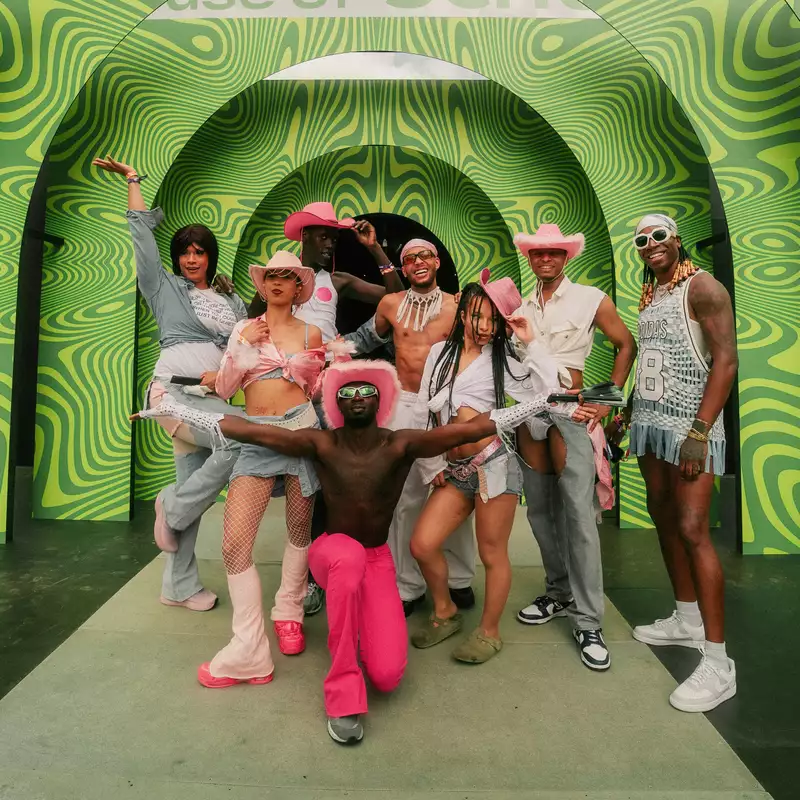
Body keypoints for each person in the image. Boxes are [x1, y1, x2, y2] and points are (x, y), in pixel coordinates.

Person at [134, 360, 572, 743]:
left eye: (367, 391)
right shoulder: (321, 443)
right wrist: (175, 409)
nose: (358, 396)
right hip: (333, 553)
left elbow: (471, 427)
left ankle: (362, 629)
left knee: (387, 675)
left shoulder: (400, 443)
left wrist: (540, 403)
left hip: (377, 558)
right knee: (346, 560)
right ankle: (342, 696)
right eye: (348, 392)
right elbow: (246, 428)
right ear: (337, 405)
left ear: (378, 401)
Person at [92, 154, 249, 612]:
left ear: (210, 257)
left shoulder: (228, 297)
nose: (192, 259)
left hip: (212, 400)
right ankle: (173, 506)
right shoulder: (164, 288)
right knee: (239, 442)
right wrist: (134, 182)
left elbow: (241, 348)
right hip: (174, 395)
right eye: (185, 252)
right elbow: (142, 236)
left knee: (195, 489)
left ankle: (178, 585)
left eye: (200, 252)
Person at [248, 203, 404, 617]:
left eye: (334, 235)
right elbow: (251, 327)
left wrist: (375, 251)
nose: (330, 241)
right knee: (300, 484)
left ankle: (328, 574)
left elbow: (395, 300)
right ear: (303, 238)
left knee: (331, 477)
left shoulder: (337, 279)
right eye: (323, 234)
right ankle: (309, 576)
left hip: (328, 384)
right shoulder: (277, 280)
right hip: (289, 387)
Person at [409, 275, 560, 664]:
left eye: (493, 319)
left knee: (493, 553)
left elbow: (551, 390)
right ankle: (444, 612)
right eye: (476, 315)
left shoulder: (505, 359)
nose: (483, 326)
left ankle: (489, 632)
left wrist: (530, 340)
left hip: (494, 463)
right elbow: (424, 411)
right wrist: (431, 463)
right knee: (422, 544)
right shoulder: (439, 352)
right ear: (463, 313)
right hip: (454, 467)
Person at [510, 223, 637, 671]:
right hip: (529, 415)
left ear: (566, 257)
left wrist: (605, 402)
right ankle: (558, 593)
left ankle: (589, 621)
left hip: (571, 413)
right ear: (530, 257)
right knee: (540, 512)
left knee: (579, 517)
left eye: (554, 253)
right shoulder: (520, 307)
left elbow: (626, 344)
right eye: (538, 253)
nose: (546, 259)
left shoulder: (589, 297)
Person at [627, 214, 738, 712]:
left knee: (693, 528)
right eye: (641, 241)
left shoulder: (704, 286)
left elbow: (726, 360)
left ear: (676, 240)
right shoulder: (653, 292)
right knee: (664, 518)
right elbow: (655, 357)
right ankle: (686, 617)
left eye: (659, 237)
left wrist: (699, 431)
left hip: (690, 427)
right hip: (651, 424)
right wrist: (627, 411)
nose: (650, 245)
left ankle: (718, 662)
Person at [372, 239, 477, 616]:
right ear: (402, 269)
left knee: (455, 490)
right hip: (403, 405)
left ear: (436, 262)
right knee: (405, 498)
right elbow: (369, 338)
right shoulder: (389, 305)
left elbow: (477, 347)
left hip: (446, 406)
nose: (418, 262)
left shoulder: (456, 304)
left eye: (425, 256)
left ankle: (460, 579)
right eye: (410, 259)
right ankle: (409, 586)